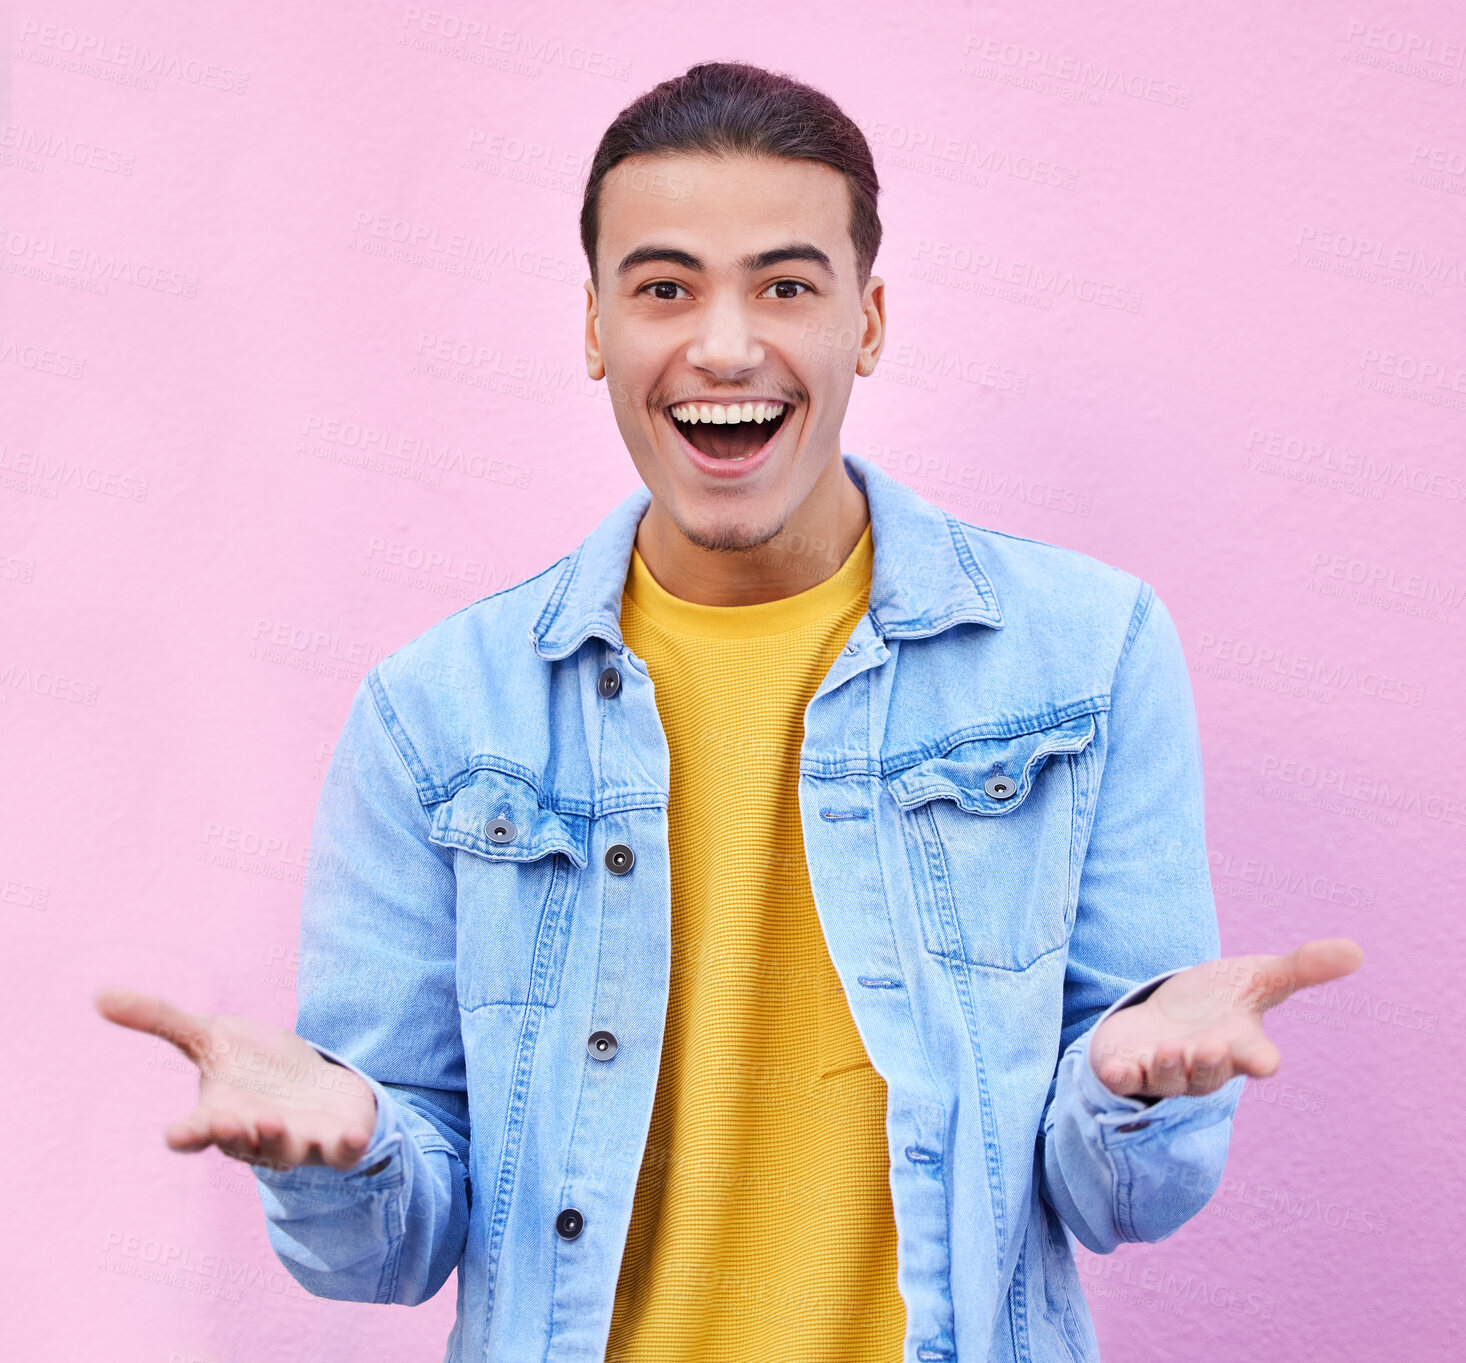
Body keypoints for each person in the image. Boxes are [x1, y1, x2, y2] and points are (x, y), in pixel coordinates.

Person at [96, 61, 1363, 1363]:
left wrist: (1130, 1089)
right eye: (662, 288)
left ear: (866, 322)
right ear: (593, 328)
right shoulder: (435, 716)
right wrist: (338, 1154)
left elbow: (1124, 1202)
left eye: (785, 285)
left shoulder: (1085, 655)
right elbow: (389, 1254)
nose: (721, 344)